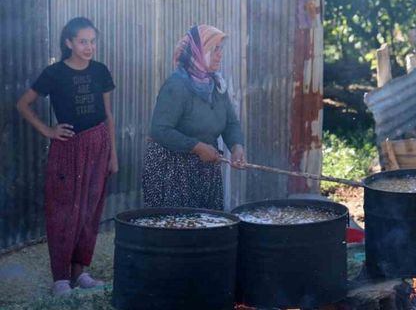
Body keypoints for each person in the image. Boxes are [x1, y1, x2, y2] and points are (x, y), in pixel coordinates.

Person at [16, 17, 118, 297]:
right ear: (68, 43)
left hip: (98, 146)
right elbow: (23, 104)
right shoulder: (54, 73)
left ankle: (80, 272)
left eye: (92, 41)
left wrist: (113, 155)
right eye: (83, 41)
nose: (89, 47)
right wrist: (48, 130)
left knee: (89, 211)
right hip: (69, 148)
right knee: (63, 211)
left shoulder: (100, 71)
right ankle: (60, 279)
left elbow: (108, 115)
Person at [142, 24, 245, 210]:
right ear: (199, 51)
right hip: (173, 172)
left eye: (221, 49)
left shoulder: (216, 85)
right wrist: (196, 147)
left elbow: (230, 123)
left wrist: (237, 147)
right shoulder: (176, 86)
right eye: (215, 49)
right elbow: (159, 130)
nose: (220, 54)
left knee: (206, 229)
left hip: (205, 169)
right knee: (180, 230)